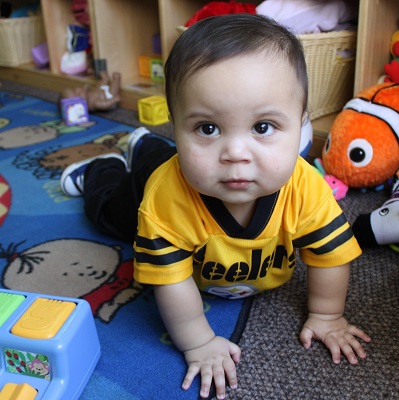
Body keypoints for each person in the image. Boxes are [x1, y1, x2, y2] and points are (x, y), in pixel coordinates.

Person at [60, 14, 371, 400]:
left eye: (263, 127)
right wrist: (199, 342)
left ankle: (144, 144)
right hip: (152, 187)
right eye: (208, 128)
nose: (236, 154)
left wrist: (327, 314)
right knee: (111, 211)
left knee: (162, 158)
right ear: (176, 124)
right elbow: (171, 281)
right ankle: (101, 169)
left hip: (182, 162)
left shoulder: (306, 188)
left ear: (302, 124)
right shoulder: (164, 201)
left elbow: (331, 256)